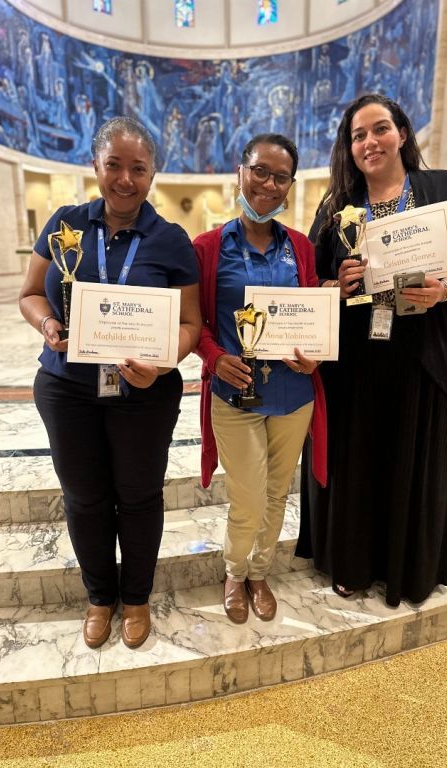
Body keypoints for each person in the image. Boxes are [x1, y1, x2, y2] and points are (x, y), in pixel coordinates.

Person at [297, 94, 447, 607]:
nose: (370, 142)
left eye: (380, 129)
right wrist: (335, 283)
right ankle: (354, 563)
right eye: (358, 135)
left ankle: (409, 568)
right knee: (358, 461)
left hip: (427, 355)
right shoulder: (336, 207)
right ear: (350, 147)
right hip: (358, 362)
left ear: (402, 134)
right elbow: (316, 277)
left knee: (418, 460)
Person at [19, 116, 201, 648]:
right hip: (66, 387)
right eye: (114, 166)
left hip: (142, 391)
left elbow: (191, 324)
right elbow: (30, 293)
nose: (126, 179)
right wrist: (47, 323)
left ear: (152, 175)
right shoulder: (65, 223)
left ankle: (137, 597)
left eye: (138, 169)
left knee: (139, 496)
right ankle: (101, 596)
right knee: (84, 497)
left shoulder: (170, 240)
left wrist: (164, 362)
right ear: (96, 166)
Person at [195, 133, 327, 624]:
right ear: (241, 170)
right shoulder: (208, 247)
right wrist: (213, 358)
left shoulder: (300, 247)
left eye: (280, 177)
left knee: (276, 492)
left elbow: (310, 310)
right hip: (236, 394)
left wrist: (313, 356)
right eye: (261, 171)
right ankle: (234, 570)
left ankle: (259, 572)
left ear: (291, 185)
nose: (269, 184)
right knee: (247, 493)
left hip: (293, 394)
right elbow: (195, 322)